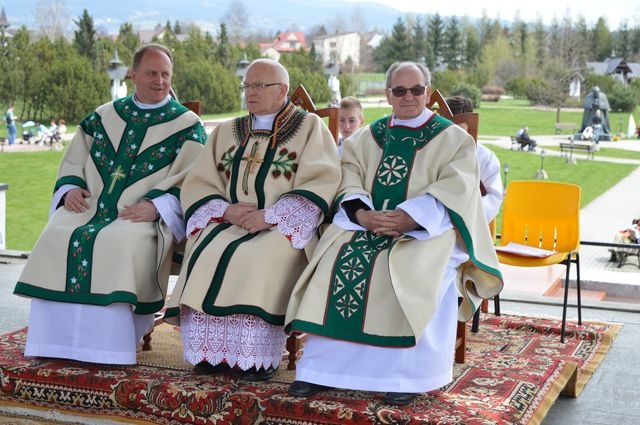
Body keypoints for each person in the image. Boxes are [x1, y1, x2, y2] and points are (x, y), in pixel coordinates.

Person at [285, 61, 503, 405]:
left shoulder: (454, 140)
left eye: (416, 90)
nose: (408, 96)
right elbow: (347, 175)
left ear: (427, 93)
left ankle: (407, 375)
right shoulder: (366, 138)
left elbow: (457, 190)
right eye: (399, 90)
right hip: (365, 226)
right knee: (332, 259)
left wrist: (410, 218)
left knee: (411, 272)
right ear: (388, 95)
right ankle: (322, 370)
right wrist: (362, 214)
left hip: (427, 231)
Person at [13, 43, 207, 365]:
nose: (160, 81)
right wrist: (71, 188)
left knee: (117, 242)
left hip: (140, 216)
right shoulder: (102, 117)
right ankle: (54, 343)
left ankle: (109, 347)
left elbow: (195, 179)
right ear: (133, 75)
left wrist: (159, 207)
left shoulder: (187, 126)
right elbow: (74, 161)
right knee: (56, 234)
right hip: (88, 209)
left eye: (165, 74)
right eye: (152, 73)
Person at [163, 58, 341, 381]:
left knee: (257, 257)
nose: (251, 93)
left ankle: (256, 359)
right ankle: (211, 354)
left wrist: (271, 216)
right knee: (205, 249)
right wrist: (225, 210)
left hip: (280, 227)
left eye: (260, 86)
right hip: (229, 221)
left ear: (283, 90)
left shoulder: (310, 128)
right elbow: (200, 181)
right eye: (247, 86)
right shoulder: (228, 130)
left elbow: (322, 181)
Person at [446, 95, 502, 222]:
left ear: (469, 124)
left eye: (459, 129)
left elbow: (494, 197)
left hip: (474, 222)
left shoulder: (485, 156)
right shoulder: (434, 152)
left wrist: (465, 218)